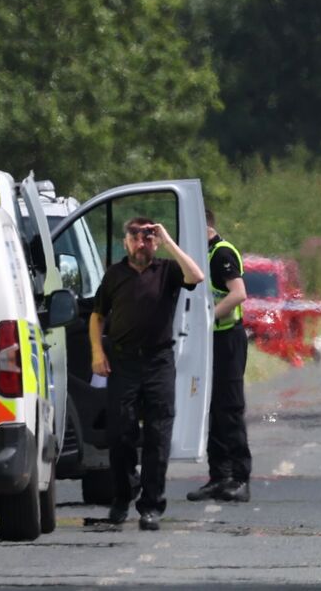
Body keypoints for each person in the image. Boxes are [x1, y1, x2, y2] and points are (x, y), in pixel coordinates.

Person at [90, 217, 205, 531]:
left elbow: (197, 275)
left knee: (158, 434)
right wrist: (97, 353)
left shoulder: (167, 271)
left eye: (148, 238)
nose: (142, 244)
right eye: (136, 238)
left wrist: (168, 240)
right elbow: (97, 316)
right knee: (120, 433)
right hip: (123, 363)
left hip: (158, 362)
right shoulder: (115, 274)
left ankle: (151, 506)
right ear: (126, 242)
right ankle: (123, 496)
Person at [187, 209, 252, 503]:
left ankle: (240, 479)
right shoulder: (202, 253)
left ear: (205, 226)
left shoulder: (221, 253)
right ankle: (218, 477)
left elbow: (238, 293)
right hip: (210, 339)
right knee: (211, 408)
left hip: (227, 338)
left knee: (230, 408)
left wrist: (207, 318)